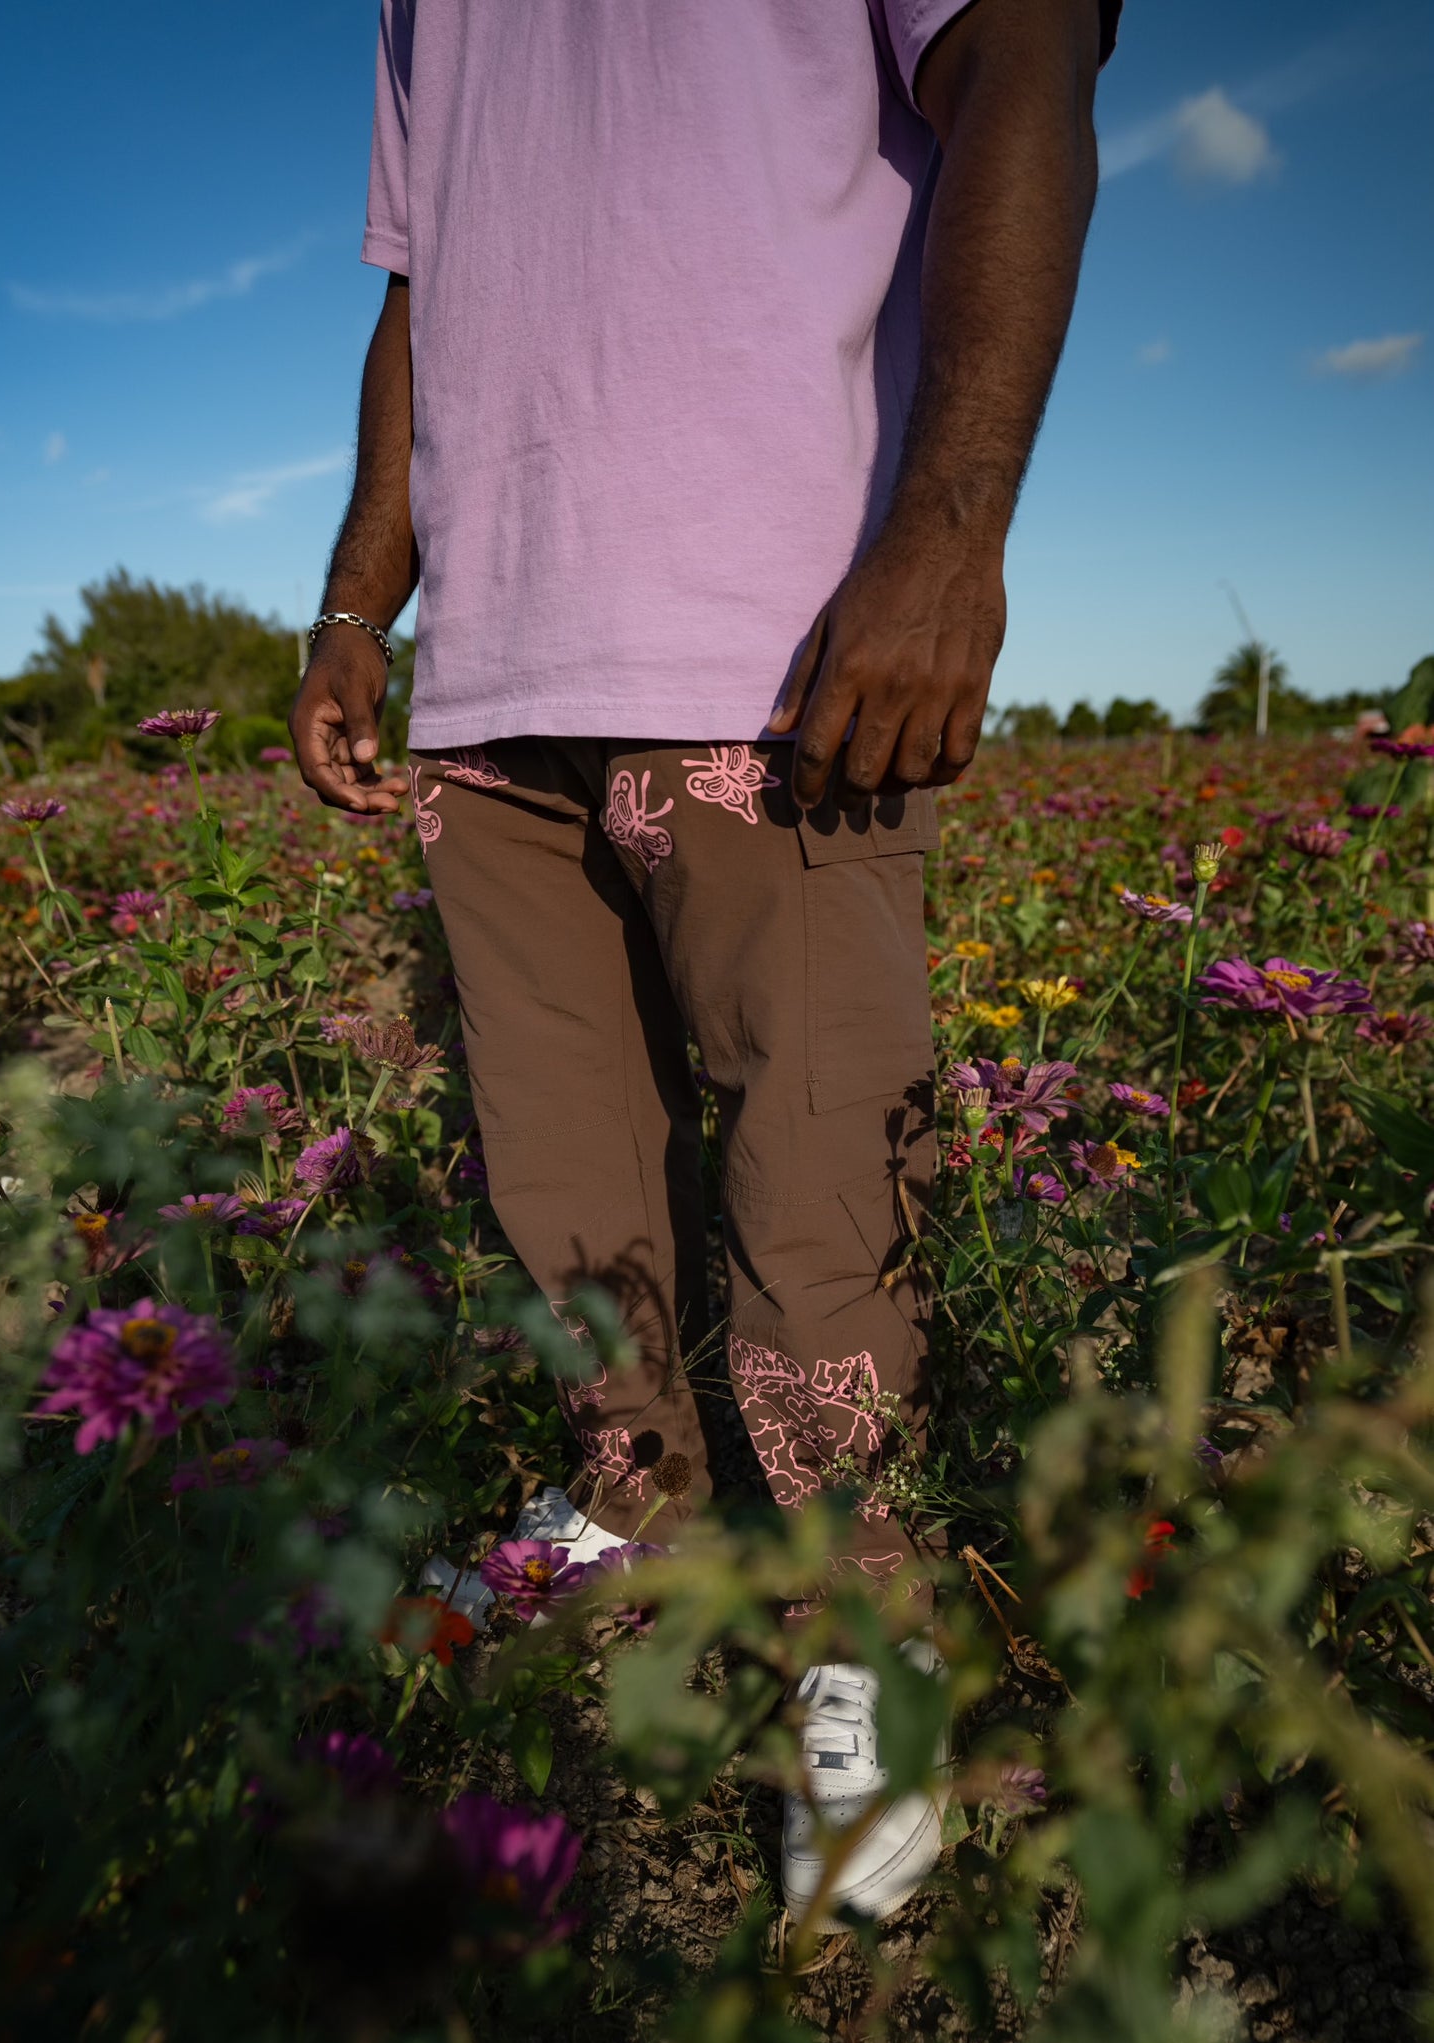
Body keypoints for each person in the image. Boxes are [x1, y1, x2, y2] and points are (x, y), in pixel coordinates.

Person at [290, 0, 1120, 1925]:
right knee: (564, 1172)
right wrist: (359, 595)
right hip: (491, 675)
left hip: (766, 653)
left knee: (812, 1191)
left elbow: (1024, 64)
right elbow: (428, 278)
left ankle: (866, 1647)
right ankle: (632, 1487)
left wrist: (947, 533)